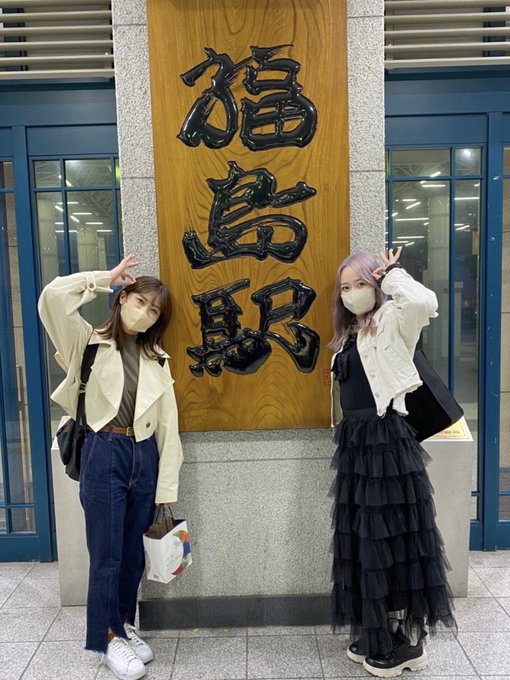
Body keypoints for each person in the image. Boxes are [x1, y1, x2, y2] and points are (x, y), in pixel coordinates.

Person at [38, 255, 183, 680]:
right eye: (140, 302)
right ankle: (105, 638)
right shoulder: (87, 340)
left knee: (132, 553)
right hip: (104, 450)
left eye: (154, 310)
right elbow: (52, 297)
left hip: (144, 454)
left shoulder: (157, 357)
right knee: (106, 554)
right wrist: (103, 278)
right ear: (122, 299)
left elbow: (169, 425)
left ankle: (122, 625)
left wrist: (166, 486)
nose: (146, 313)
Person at [329, 247, 456, 678]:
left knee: (393, 539)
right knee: (365, 540)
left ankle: (406, 644)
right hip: (357, 443)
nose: (351, 293)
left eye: (360, 284)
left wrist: (392, 275)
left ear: (376, 285)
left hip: (386, 441)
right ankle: (377, 630)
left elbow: (423, 302)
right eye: (345, 287)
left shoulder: (393, 320)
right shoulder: (350, 334)